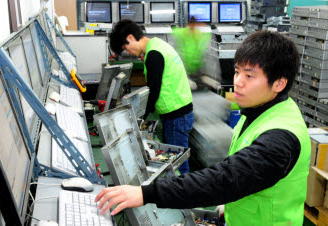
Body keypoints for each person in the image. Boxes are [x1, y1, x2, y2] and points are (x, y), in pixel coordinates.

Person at [96, 30, 311, 225]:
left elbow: (226, 179)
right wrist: (231, 206)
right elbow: (246, 175)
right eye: (237, 72)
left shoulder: (281, 138)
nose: (238, 82)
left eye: (249, 76)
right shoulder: (259, 108)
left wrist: (146, 193)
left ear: (279, 83)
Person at [109, 19, 194, 174]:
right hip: (178, 112)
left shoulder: (154, 54)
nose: (128, 53)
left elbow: (153, 92)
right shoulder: (157, 45)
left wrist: (137, 118)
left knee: (178, 166)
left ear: (130, 38)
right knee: (175, 162)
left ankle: (187, 197)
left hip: (176, 116)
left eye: (125, 48)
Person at [172, 16, 211, 89]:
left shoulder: (198, 34)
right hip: (184, 70)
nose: (192, 26)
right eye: (191, 24)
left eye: (194, 25)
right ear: (188, 24)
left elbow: (201, 53)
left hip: (196, 71)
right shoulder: (181, 33)